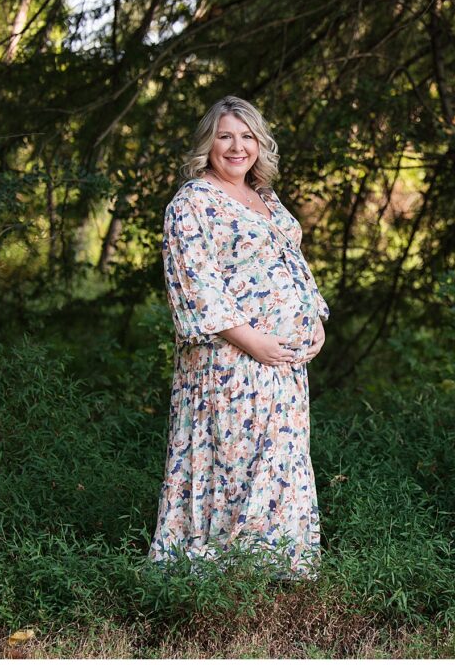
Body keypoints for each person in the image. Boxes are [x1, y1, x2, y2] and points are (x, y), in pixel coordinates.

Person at [148, 95, 329, 580]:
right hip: (231, 368)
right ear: (208, 142)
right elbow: (196, 285)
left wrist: (315, 322)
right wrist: (254, 342)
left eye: (247, 136)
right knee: (233, 467)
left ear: (259, 144)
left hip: (283, 367)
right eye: (225, 136)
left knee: (279, 470)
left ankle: (274, 584)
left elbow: (293, 266)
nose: (236, 147)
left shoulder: (265, 197)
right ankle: (220, 587)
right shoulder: (191, 204)